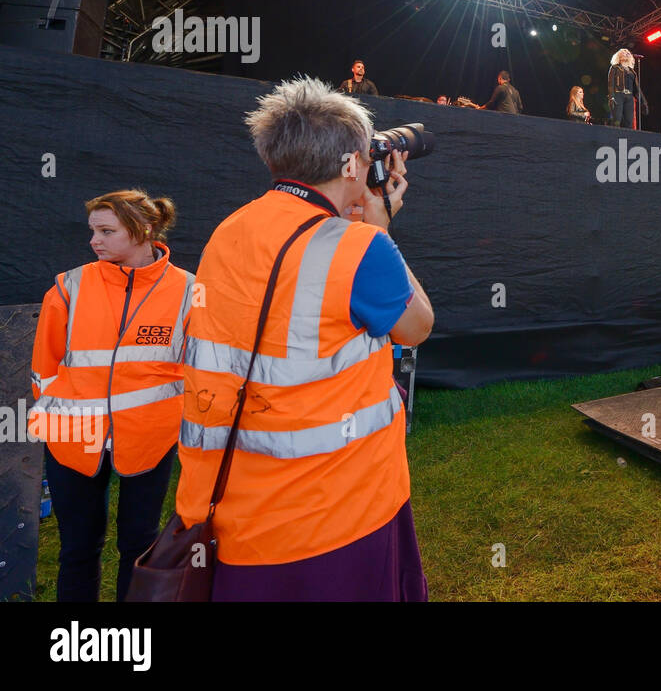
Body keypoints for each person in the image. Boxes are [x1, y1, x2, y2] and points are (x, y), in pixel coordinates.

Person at [175, 77, 435, 599]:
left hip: (229, 514)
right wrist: (378, 229)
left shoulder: (229, 230)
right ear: (354, 163)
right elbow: (418, 326)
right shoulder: (360, 248)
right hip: (337, 514)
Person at [28, 190, 194, 601]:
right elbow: (43, 368)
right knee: (78, 548)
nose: (94, 241)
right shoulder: (68, 287)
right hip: (72, 437)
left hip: (149, 437)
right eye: (93, 231)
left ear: (145, 229)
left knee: (138, 545)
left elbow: (196, 369)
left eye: (106, 231)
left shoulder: (189, 292)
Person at [607, 49, 645, 129]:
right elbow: (611, 84)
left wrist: (643, 102)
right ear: (619, 56)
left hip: (629, 98)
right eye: (623, 52)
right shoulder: (614, 68)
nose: (626, 53)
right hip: (618, 95)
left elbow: (637, 89)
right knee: (617, 121)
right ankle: (613, 141)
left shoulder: (632, 72)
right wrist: (611, 97)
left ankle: (623, 142)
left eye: (627, 52)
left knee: (628, 123)